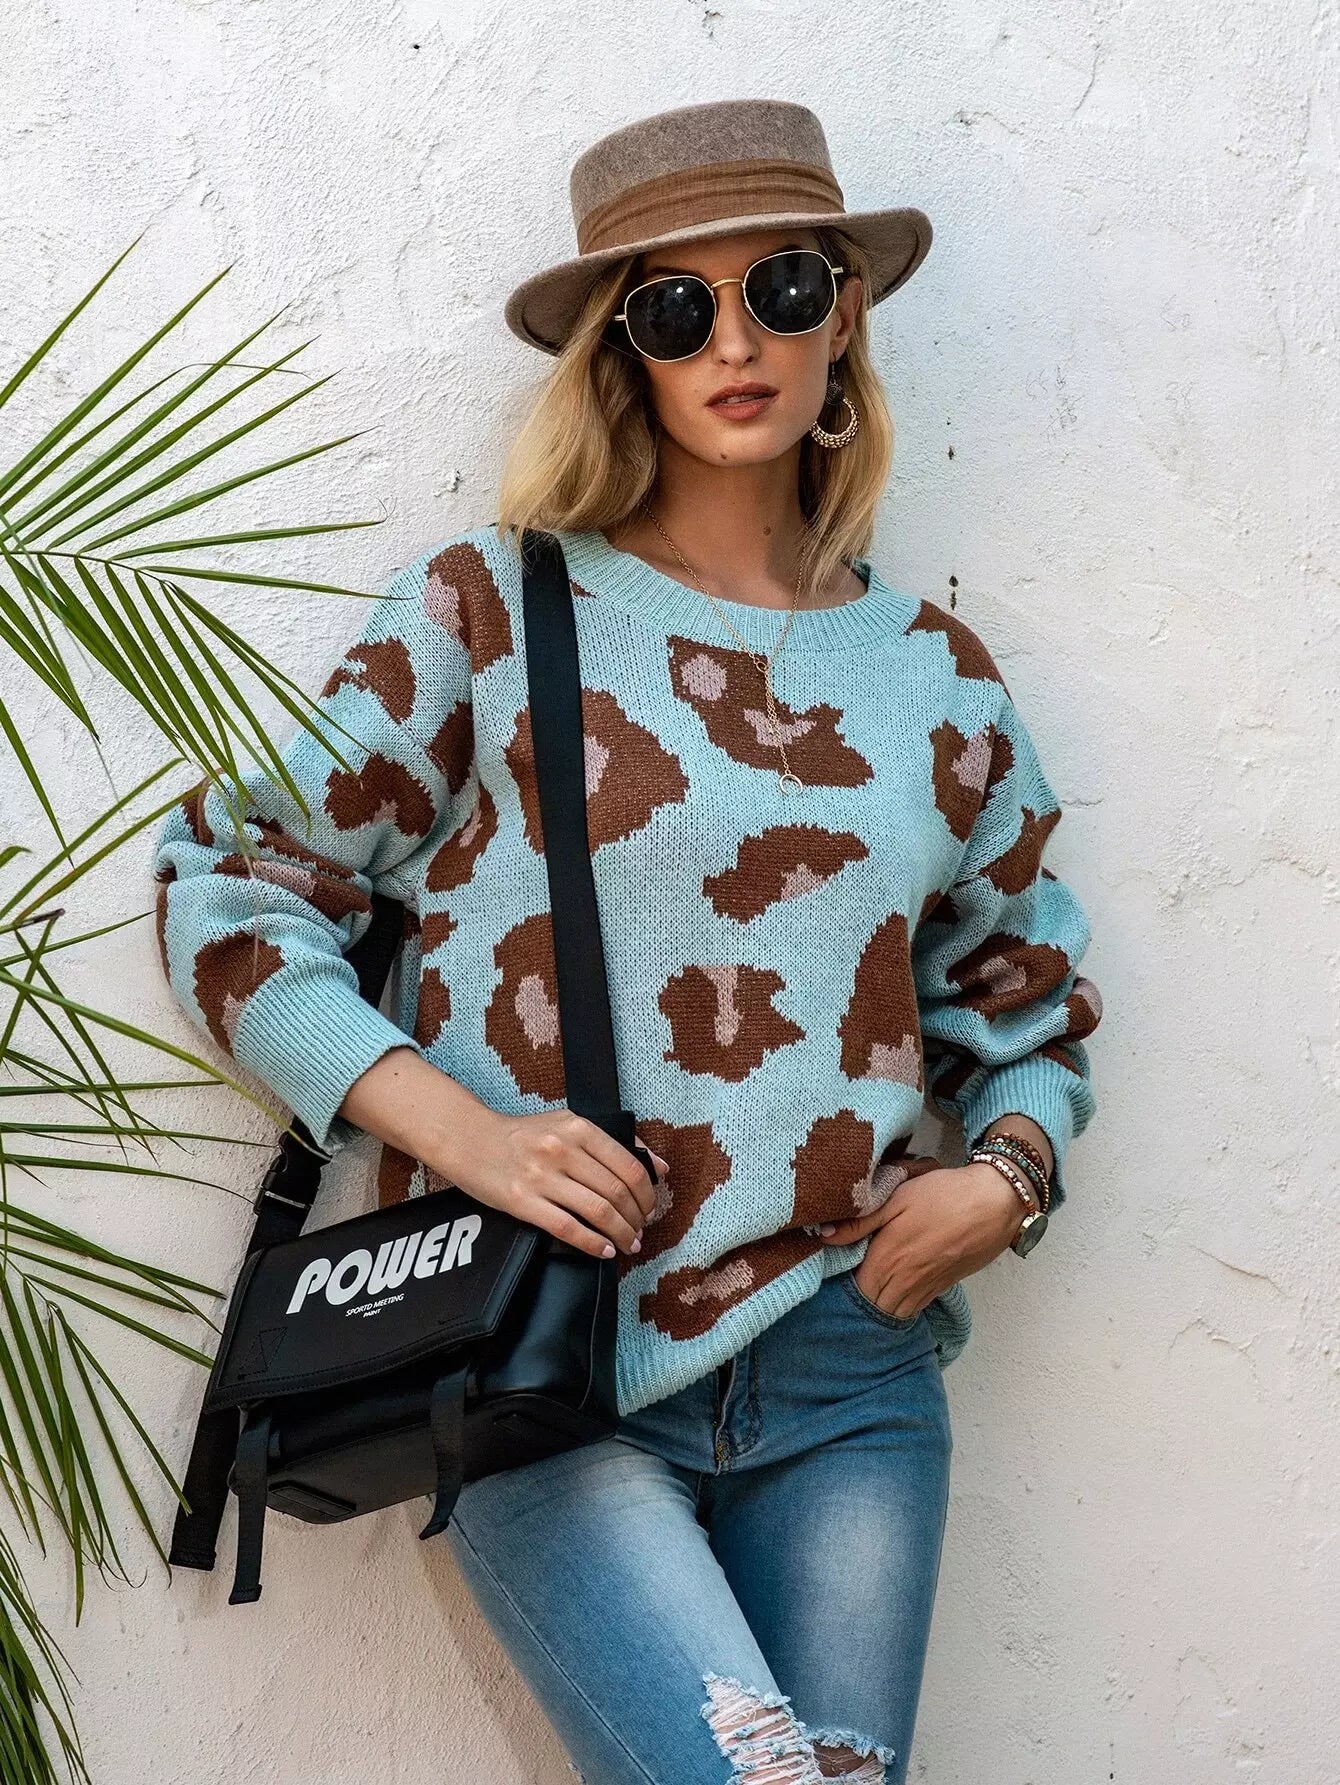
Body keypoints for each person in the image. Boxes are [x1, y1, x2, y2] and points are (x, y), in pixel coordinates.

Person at [153, 98, 1102, 1785]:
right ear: (622, 351)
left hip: (852, 1372)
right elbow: (232, 891)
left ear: (842, 318)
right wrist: (469, 1135)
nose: (736, 341)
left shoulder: (935, 680)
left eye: (780, 288)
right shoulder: (485, 610)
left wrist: (1006, 1181)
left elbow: (1029, 1005)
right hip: (550, 1360)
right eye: (677, 307)